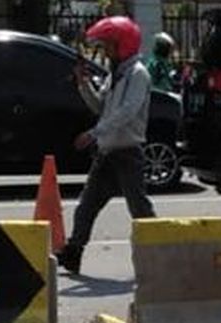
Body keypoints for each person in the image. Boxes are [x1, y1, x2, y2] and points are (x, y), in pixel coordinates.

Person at [56, 15, 156, 276]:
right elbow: (100, 107)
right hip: (107, 151)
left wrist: (94, 133)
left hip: (127, 153)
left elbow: (127, 112)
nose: (105, 50)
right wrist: (84, 84)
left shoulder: (137, 74)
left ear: (122, 44)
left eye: (109, 44)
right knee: (86, 206)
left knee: (140, 210)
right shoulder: (116, 75)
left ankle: (159, 253)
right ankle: (73, 252)